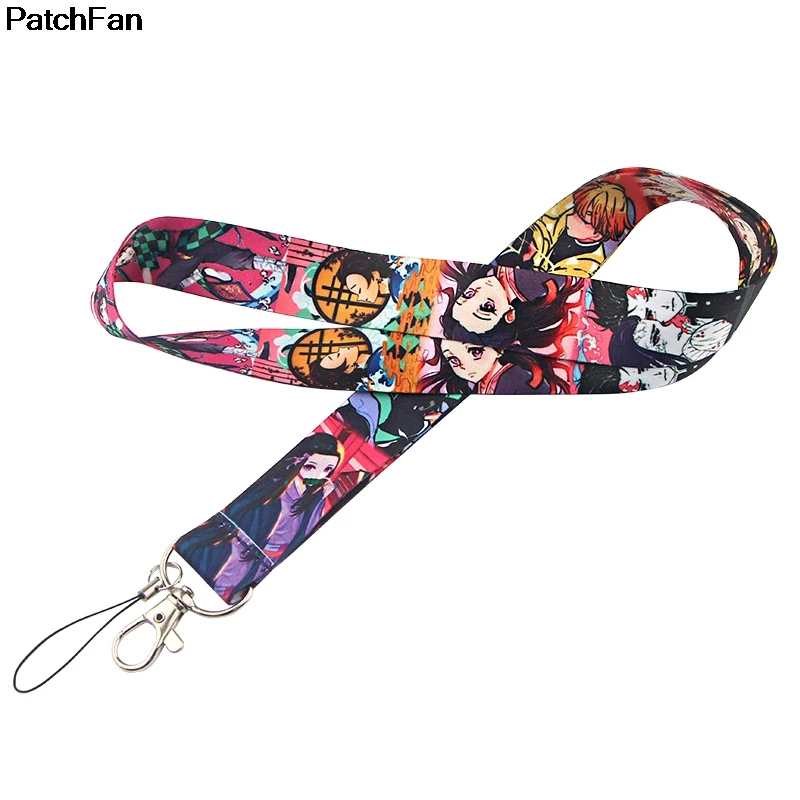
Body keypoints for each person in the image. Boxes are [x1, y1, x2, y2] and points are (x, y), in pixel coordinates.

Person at [178, 433, 344, 603]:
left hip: (252, 571)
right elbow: (240, 516)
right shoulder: (272, 487)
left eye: (327, 470)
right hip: (227, 556)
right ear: (298, 461)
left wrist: (316, 500)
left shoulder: (313, 500)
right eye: (310, 467)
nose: (317, 475)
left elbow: (298, 536)